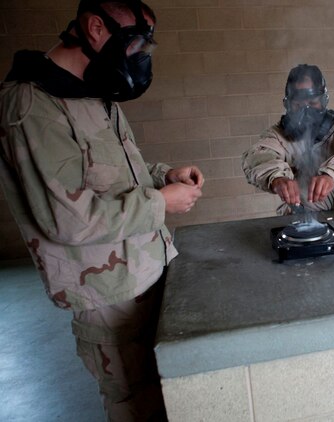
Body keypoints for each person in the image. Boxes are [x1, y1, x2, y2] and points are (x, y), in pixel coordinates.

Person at [0, 0, 204, 420]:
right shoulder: (34, 104)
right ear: (96, 27)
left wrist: (165, 175)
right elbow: (70, 220)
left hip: (145, 274)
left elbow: (114, 176)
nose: (137, 58)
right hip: (109, 297)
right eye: (134, 45)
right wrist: (161, 203)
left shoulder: (91, 93)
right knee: (137, 404)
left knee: (169, 397)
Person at [242, 64, 334, 215]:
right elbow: (257, 157)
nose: (306, 111)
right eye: (298, 104)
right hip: (301, 219)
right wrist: (276, 178)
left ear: (324, 101)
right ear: (287, 104)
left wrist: (332, 176)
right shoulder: (278, 135)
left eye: (313, 103)